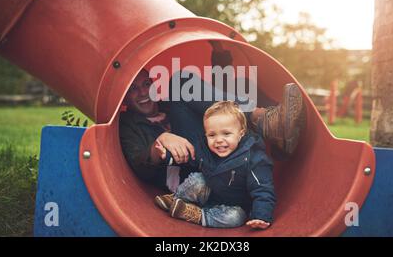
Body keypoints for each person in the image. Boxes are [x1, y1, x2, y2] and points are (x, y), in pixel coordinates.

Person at [119, 43, 305, 193]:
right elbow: (139, 164)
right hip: (189, 174)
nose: (143, 92)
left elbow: (214, 91)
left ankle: (278, 134)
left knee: (240, 84)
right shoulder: (128, 124)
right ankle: (266, 121)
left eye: (146, 84)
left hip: (217, 152)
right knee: (179, 81)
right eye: (133, 89)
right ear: (124, 97)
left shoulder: (170, 106)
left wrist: (218, 48)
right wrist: (160, 141)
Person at [154, 101, 275, 229]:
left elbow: (263, 189)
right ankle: (177, 198)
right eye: (212, 135)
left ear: (241, 133)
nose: (218, 140)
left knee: (236, 217)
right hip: (209, 194)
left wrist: (261, 216)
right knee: (198, 180)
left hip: (234, 205)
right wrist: (167, 155)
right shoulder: (204, 148)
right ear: (206, 134)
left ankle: (198, 215)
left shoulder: (254, 158)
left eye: (226, 133)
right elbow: (189, 156)